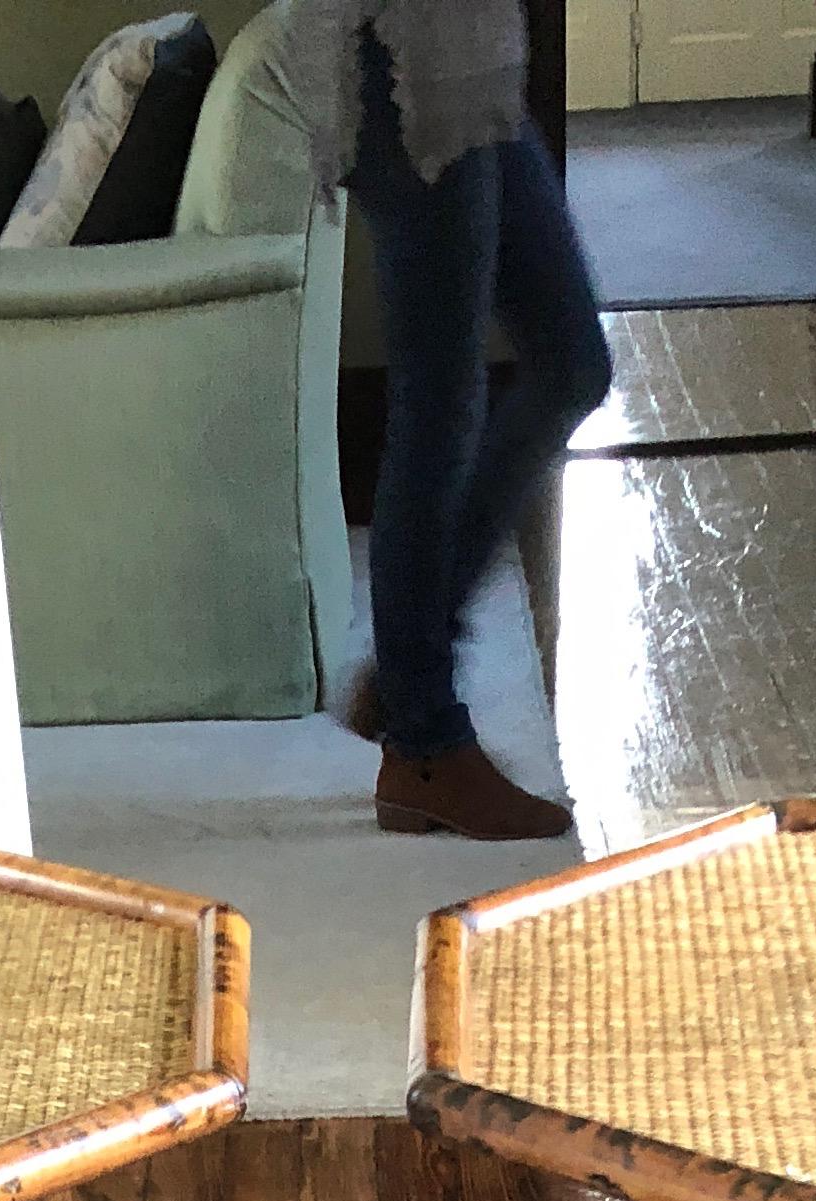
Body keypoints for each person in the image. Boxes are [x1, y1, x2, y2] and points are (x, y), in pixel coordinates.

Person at [312, 0, 608, 843]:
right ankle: (425, 743)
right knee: (441, 399)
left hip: (471, 50)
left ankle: (412, 667)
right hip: (401, 49)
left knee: (572, 363)